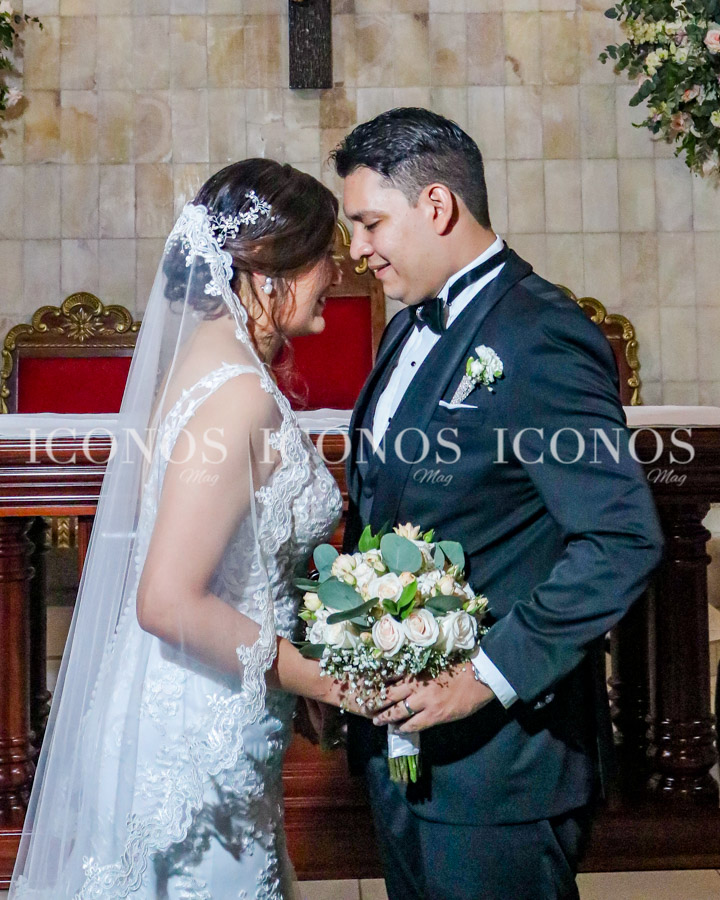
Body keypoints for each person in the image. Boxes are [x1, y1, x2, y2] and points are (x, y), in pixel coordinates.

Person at [10, 158, 370, 899]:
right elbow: (167, 600)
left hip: (200, 708)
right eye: (323, 250)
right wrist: (318, 677)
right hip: (195, 750)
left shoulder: (208, 368)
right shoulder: (235, 394)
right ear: (270, 269)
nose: (338, 268)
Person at [332, 108, 665, 900]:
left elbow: (621, 537)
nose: (357, 249)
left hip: (501, 766)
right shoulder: (403, 329)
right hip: (403, 747)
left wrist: (483, 676)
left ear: (437, 206)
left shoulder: (539, 335)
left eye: (370, 223)